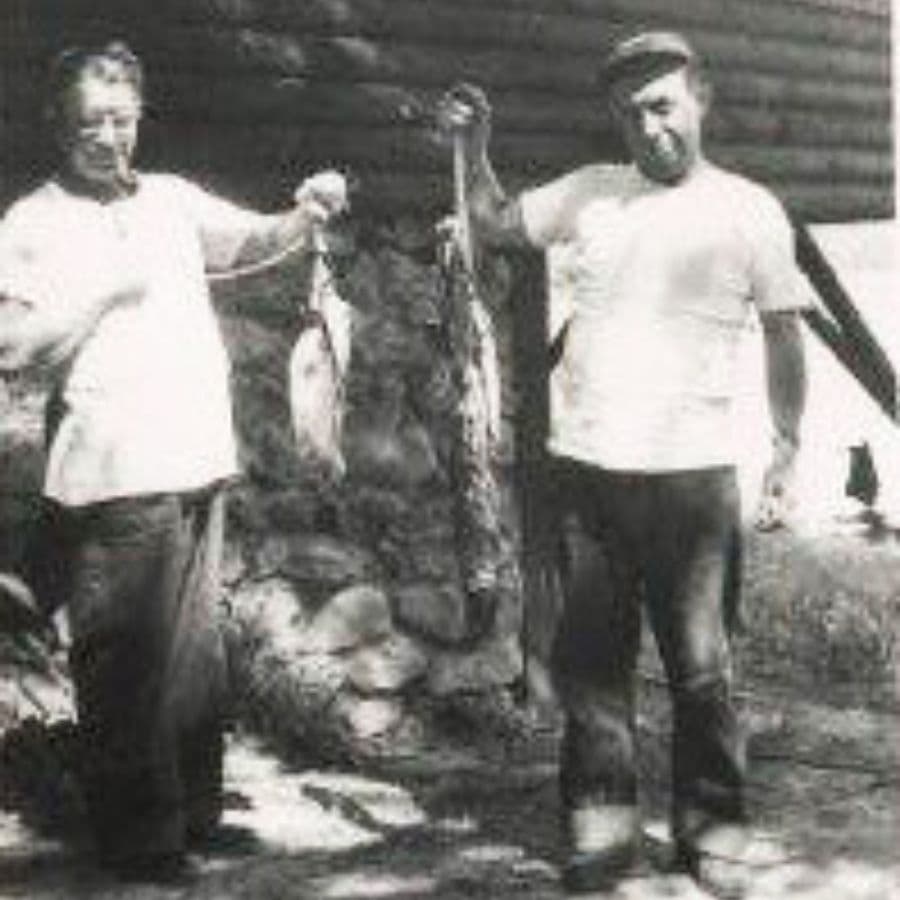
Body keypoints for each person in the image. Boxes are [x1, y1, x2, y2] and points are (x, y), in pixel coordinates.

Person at [440, 31, 809, 898]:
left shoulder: (751, 209)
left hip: (695, 482)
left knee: (704, 668)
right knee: (593, 671)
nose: (648, 128)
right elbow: (492, 226)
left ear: (700, 99)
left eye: (662, 106)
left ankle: (712, 827)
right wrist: (472, 145)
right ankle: (602, 828)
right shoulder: (590, 195)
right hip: (591, 477)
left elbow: (786, 336)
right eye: (630, 112)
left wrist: (787, 447)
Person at [0, 41, 347, 881]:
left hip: (196, 456)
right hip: (113, 470)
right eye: (89, 122)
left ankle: (193, 813)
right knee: (124, 659)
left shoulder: (169, 198)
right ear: (59, 124)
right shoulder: (30, 221)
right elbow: (11, 346)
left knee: (195, 658)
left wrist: (306, 212)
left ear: (139, 119)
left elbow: (248, 241)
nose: (107, 138)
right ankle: (136, 838)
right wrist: (100, 294)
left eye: (120, 120)